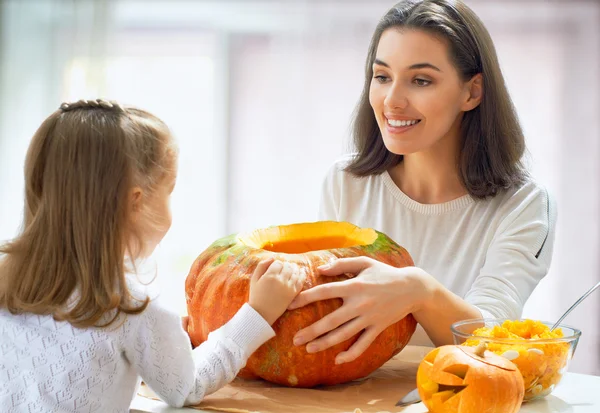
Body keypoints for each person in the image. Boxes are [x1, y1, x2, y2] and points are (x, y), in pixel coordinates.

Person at [289, 0, 556, 365]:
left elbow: (491, 344)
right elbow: (323, 312)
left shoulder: (523, 205)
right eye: (382, 76)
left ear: (472, 93)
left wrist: (420, 291)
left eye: (421, 80)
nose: (392, 101)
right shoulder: (345, 183)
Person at [0, 99, 305, 412]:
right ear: (135, 201)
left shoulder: (7, 282)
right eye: (168, 190)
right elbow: (187, 386)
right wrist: (257, 313)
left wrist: (169, 347)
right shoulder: (129, 305)